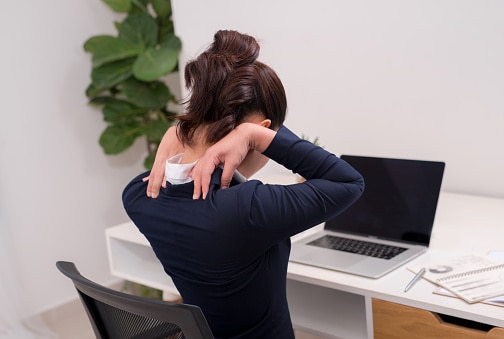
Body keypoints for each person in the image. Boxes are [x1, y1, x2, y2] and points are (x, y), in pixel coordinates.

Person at [123, 30, 364, 338]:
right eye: (270, 134)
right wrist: (254, 135)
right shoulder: (247, 209)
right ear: (263, 132)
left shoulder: (139, 198)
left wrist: (176, 132)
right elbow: (349, 182)